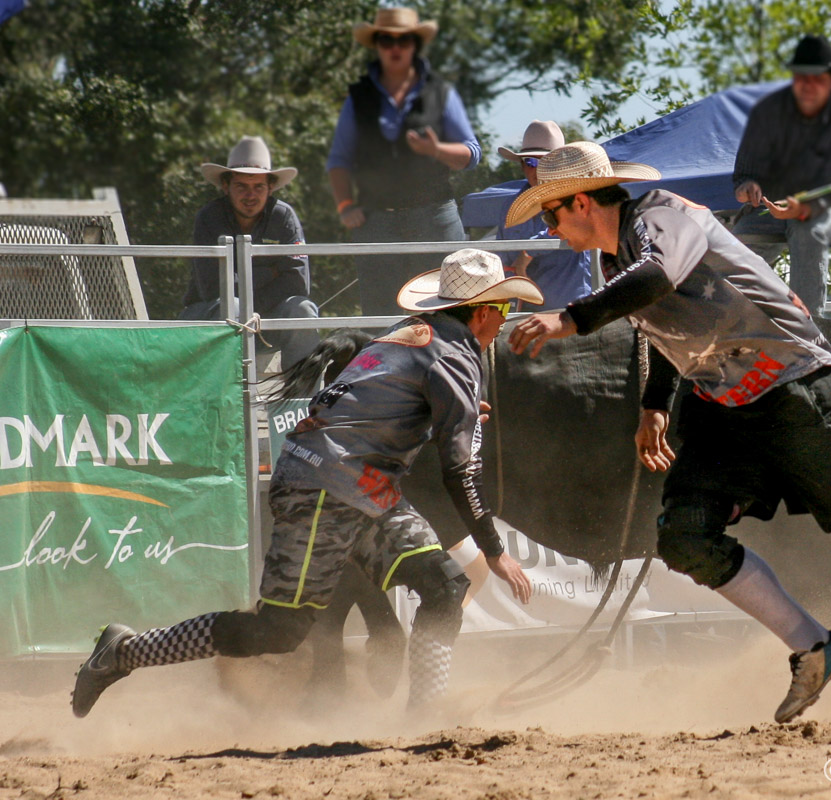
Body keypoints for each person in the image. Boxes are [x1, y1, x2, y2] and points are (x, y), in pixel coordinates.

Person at [505, 141, 831, 724]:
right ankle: (817, 647)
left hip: (801, 389)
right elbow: (670, 321)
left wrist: (568, 319)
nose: (549, 228)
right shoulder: (618, 260)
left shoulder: (663, 218)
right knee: (684, 536)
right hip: (726, 404)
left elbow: (658, 279)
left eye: (549, 214)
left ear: (578, 202)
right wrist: (654, 405)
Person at [72, 248, 541, 720]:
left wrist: (452, 412)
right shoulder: (453, 354)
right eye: (503, 310)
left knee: (443, 585)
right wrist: (495, 551)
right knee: (278, 630)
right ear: (483, 312)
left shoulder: (406, 338)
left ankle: (424, 714)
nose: (504, 322)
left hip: (348, 484)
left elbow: (378, 403)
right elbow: (459, 468)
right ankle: (124, 651)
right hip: (327, 488)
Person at [327, 7, 480, 316]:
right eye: (386, 40)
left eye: (404, 40)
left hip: (435, 219)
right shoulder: (358, 98)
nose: (395, 48)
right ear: (377, 45)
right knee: (381, 317)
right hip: (376, 224)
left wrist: (437, 150)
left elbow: (472, 154)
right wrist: (345, 206)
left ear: (414, 45)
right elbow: (339, 160)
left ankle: (451, 364)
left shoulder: (442, 93)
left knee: (448, 312)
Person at [730, 33, 831, 317]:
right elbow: (743, 176)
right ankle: (743, 319)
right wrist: (748, 187)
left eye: (817, 78)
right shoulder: (766, 114)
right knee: (736, 243)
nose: (809, 86)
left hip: (825, 206)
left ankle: (810, 324)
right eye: (803, 77)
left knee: (808, 230)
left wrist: (800, 209)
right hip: (770, 207)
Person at [183, 135, 320, 370]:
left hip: (266, 323)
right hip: (210, 320)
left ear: (270, 188)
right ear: (225, 186)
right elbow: (212, 287)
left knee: (303, 309)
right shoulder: (208, 217)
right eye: (241, 186)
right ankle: (223, 401)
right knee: (232, 307)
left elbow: (298, 283)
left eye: (259, 187)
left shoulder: (284, 216)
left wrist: (247, 296)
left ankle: (302, 402)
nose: (251, 195)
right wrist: (272, 272)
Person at [496, 120, 593, 310]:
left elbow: (565, 228)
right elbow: (502, 259)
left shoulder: (576, 199)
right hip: (522, 313)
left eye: (544, 161)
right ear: (522, 166)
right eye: (529, 162)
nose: (536, 168)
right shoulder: (509, 207)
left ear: (559, 165)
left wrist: (527, 252)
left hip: (573, 313)